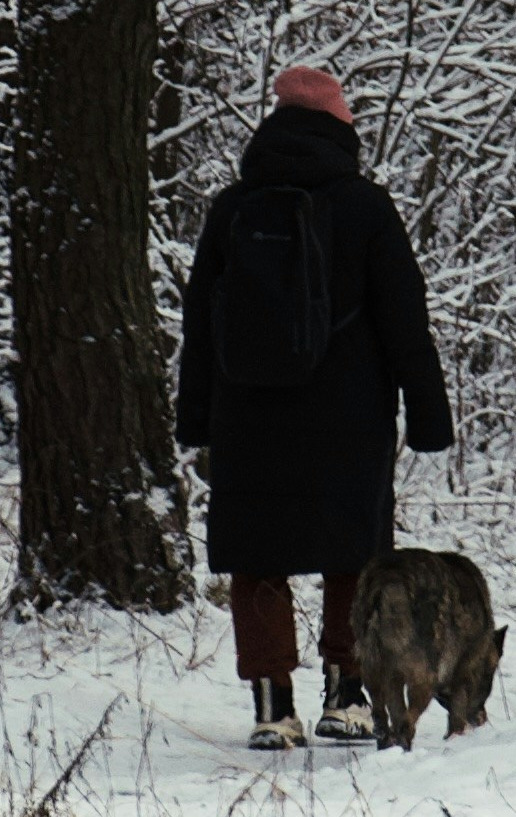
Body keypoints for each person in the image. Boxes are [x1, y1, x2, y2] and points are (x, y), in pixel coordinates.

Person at [174, 62, 453, 747]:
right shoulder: (364, 207)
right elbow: (403, 318)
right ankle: (345, 695)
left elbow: (199, 320)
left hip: (249, 411)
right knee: (351, 553)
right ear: (339, 130)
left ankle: (272, 706)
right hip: (347, 412)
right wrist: (427, 414)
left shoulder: (232, 208)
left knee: (257, 556)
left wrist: (196, 415)